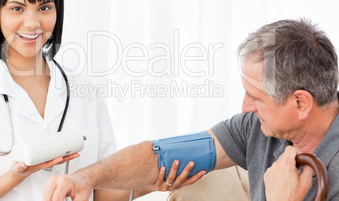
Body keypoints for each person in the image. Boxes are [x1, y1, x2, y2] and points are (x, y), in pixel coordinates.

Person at [0, 0, 202, 201]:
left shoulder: (83, 93)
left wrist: (148, 184)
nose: (33, 23)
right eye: (17, 8)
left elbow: (102, 191)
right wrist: (16, 175)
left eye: (44, 7)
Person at [43, 19, 339, 201]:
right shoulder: (257, 128)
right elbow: (159, 155)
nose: (245, 107)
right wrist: (85, 177)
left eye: (255, 97)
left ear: (300, 103)